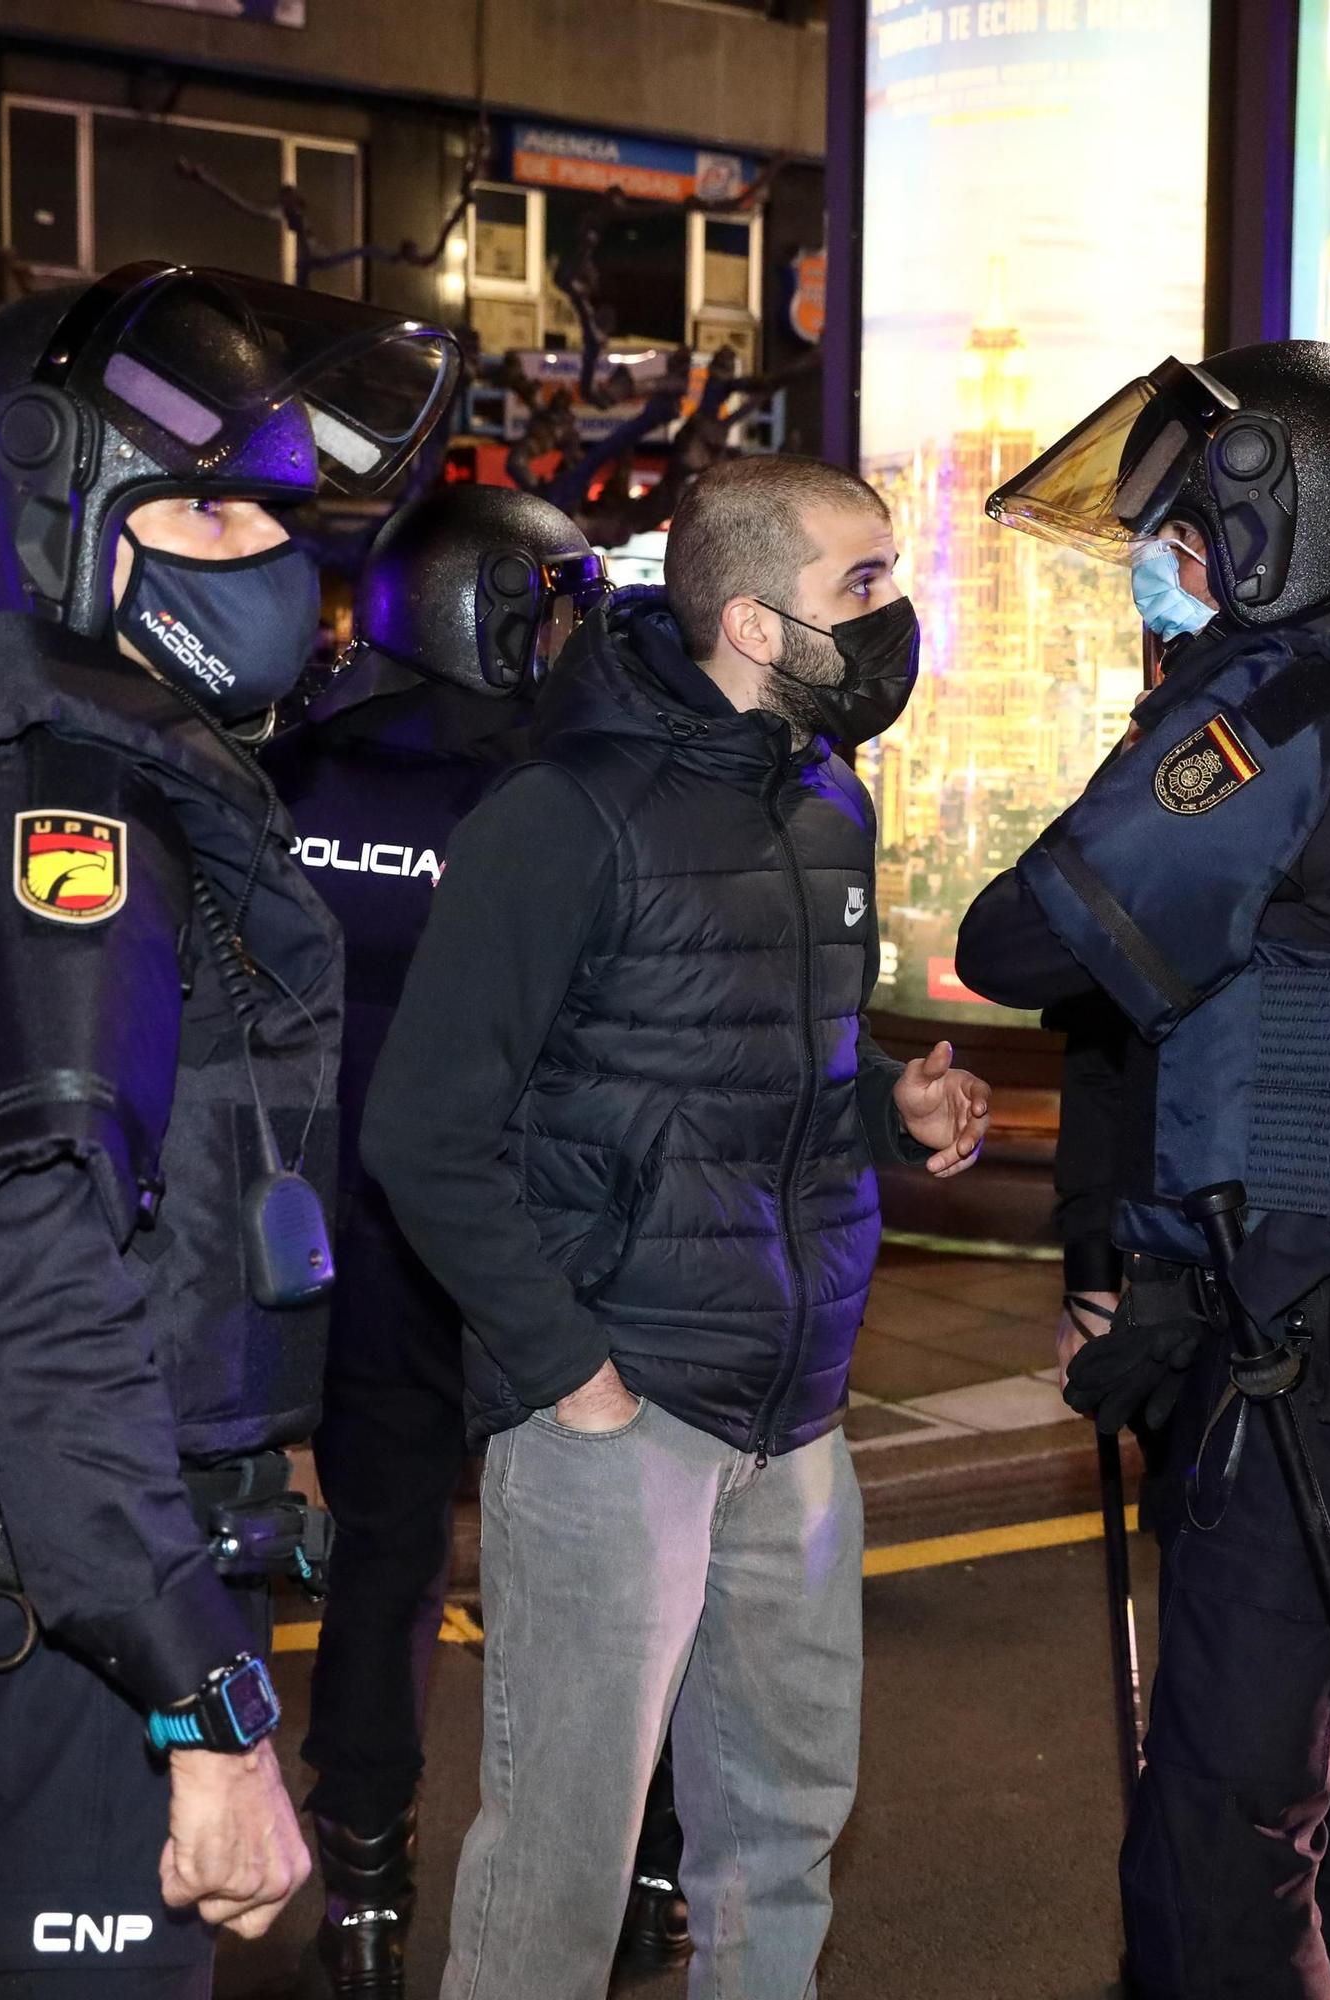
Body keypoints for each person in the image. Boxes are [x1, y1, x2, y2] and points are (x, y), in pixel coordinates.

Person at [361, 452, 992, 2000]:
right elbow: (424, 1131)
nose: (895, 613)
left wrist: (883, 1122)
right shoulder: (564, 811)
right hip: (618, 1416)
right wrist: (572, 1376)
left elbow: (743, 1100)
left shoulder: (829, 797)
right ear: (757, 626)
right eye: (861, 584)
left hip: (799, 1414)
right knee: (563, 1870)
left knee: (781, 1833)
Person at [956, 341, 1330, 2000]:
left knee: (1224, 1835)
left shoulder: (1294, 721)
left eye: (1176, 534)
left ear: (1275, 533)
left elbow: (1018, 938)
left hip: (1304, 1346)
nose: (1152, 569)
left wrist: (1170, 727)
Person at [0, 263, 455, 1999]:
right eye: (203, 512)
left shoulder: (99, 769)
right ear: (47, 508)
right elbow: (37, 1291)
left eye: (272, 519)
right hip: (65, 1627)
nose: (271, 561)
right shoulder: (66, 810)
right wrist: (207, 1707)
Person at [264, 486, 689, 1994]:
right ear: (499, 609)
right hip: (538, 1250)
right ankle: (644, 1877)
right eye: (562, 597)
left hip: (347, 1251)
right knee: (613, 1578)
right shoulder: (562, 789)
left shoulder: (286, 768)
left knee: (384, 1567)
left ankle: (364, 1895)